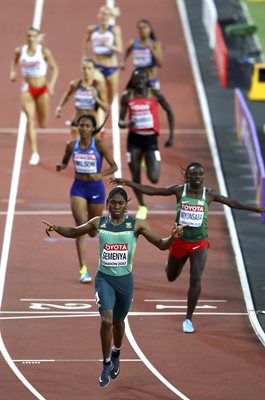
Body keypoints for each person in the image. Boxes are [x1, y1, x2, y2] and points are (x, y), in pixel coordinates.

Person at [42, 186, 186, 387]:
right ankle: (106, 363)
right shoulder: (99, 222)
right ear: (108, 204)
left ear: (127, 205)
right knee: (106, 320)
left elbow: (162, 245)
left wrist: (173, 237)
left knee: (119, 322)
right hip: (104, 279)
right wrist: (57, 227)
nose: (117, 206)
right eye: (113, 202)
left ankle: (116, 352)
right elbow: (75, 232)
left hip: (125, 281)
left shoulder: (136, 225)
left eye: (121, 203)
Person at [110, 162, 265, 333]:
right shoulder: (179, 190)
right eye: (194, 174)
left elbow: (231, 202)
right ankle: (170, 265)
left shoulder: (209, 194)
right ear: (187, 177)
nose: (198, 177)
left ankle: (188, 318)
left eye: (200, 174)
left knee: (196, 277)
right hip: (179, 241)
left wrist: (257, 209)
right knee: (171, 276)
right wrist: (127, 182)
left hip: (199, 242)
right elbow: (153, 191)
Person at [56, 114, 118, 283]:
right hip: (78, 189)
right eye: (80, 125)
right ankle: (83, 269)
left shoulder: (98, 145)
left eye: (86, 126)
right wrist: (61, 166)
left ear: (92, 129)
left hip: (96, 189)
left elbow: (114, 166)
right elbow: (64, 162)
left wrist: (101, 174)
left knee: (92, 231)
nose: (83, 129)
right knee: (81, 227)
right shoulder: (71, 146)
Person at [118, 67, 174, 220]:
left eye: (143, 79)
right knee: (135, 175)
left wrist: (171, 136)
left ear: (146, 80)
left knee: (154, 178)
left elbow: (169, 111)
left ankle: (147, 163)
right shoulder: (127, 96)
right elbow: (120, 122)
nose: (140, 82)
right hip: (134, 140)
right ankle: (142, 205)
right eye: (137, 79)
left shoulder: (155, 94)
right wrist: (128, 124)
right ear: (133, 81)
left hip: (150, 140)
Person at [10, 26, 59, 165]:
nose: (31, 38)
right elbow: (14, 61)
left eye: (33, 36)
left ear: (38, 38)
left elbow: (55, 68)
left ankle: (39, 127)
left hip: (42, 89)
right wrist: (13, 72)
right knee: (29, 119)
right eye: (29, 36)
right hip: (28, 88)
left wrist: (52, 84)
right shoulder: (20, 51)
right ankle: (34, 153)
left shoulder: (43, 51)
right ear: (26, 37)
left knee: (43, 124)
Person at [55, 57, 108, 139]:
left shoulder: (98, 86)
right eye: (84, 68)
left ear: (94, 70)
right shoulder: (76, 84)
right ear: (81, 70)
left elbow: (105, 108)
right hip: (77, 121)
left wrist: (96, 98)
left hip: (92, 123)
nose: (86, 71)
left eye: (89, 68)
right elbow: (68, 94)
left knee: (92, 150)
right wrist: (59, 107)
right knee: (77, 148)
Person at [83, 5, 123, 105]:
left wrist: (109, 46)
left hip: (111, 67)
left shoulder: (114, 29)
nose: (103, 16)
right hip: (97, 66)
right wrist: (85, 57)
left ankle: (105, 109)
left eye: (106, 14)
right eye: (101, 13)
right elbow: (86, 42)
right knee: (99, 92)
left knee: (111, 96)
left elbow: (120, 49)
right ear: (98, 15)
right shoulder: (92, 29)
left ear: (110, 17)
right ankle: (98, 110)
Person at [121, 19, 163, 89]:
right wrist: (123, 61)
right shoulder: (133, 43)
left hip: (151, 81)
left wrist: (152, 49)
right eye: (140, 28)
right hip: (138, 82)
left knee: (157, 99)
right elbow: (127, 50)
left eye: (145, 27)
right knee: (127, 97)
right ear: (137, 30)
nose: (142, 30)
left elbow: (160, 64)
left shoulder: (155, 44)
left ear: (150, 29)